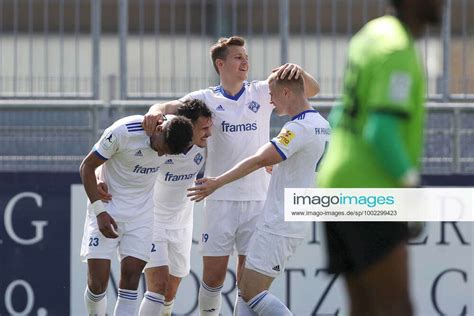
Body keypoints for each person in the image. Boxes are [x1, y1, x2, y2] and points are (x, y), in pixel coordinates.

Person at [143, 35, 320, 315]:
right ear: (220, 63)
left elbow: (310, 90)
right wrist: (154, 111)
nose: (245, 61)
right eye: (238, 57)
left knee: (246, 282)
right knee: (213, 278)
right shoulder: (206, 98)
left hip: (257, 200)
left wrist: (296, 70)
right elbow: (169, 108)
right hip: (219, 197)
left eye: (246, 57)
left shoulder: (261, 92)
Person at [317, 1, 444, 315]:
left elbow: (339, 115)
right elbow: (380, 131)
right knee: (396, 307)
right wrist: (411, 187)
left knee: (363, 307)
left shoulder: (370, 35)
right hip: (371, 190)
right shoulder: (397, 48)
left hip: (336, 184)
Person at [187, 73, 330, 315]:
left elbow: (257, 160)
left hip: (278, 222)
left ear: (286, 92)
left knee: (252, 292)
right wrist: (281, 167)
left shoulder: (298, 128)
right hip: (291, 218)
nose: (270, 101)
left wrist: (217, 182)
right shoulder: (321, 124)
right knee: (245, 291)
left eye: (272, 95)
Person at [79, 114, 193, 316]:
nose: (160, 156)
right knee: (97, 284)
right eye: (162, 149)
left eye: (166, 154)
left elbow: (175, 108)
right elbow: (87, 166)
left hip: (141, 216)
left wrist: (159, 111)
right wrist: (99, 211)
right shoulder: (123, 132)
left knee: (131, 282)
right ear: (158, 130)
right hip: (107, 208)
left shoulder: (177, 130)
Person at [138, 99, 213, 315]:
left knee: (170, 292)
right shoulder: (162, 140)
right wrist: (155, 110)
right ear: (188, 127)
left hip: (182, 224)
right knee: (158, 287)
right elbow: (117, 153)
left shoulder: (206, 146)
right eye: (204, 129)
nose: (209, 134)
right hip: (152, 222)